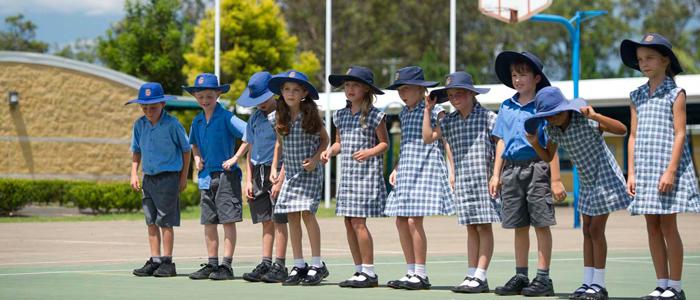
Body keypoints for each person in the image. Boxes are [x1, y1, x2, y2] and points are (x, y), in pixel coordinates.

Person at [621, 33, 700, 300]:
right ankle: (661, 283)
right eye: (641, 59)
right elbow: (632, 136)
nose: (644, 63)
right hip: (643, 169)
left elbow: (680, 134)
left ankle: (675, 287)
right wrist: (630, 172)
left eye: (650, 58)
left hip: (666, 169)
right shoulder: (636, 95)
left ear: (665, 60)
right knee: (651, 226)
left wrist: (671, 170)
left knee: (668, 226)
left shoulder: (675, 93)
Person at [321, 66, 389, 288]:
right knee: (348, 222)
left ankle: (369, 272)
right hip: (348, 176)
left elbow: (384, 144)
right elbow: (339, 142)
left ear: (366, 89)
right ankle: (358, 270)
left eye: (355, 85)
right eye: (347, 85)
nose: (350, 89)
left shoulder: (375, 115)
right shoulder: (340, 115)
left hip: (366, 176)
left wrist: (369, 151)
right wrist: (331, 150)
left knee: (359, 222)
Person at [128, 82, 191, 278]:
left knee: (165, 221)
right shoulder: (139, 125)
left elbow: (186, 150)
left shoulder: (172, 124)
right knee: (151, 221)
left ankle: (167, 261)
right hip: (149, 178)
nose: (148, 111)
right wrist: (133, 173)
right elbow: (136, 151)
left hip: (168, 178)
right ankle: (154, 260)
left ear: (163, 104)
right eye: (144, 107)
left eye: (153, 107)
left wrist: (183, 177)